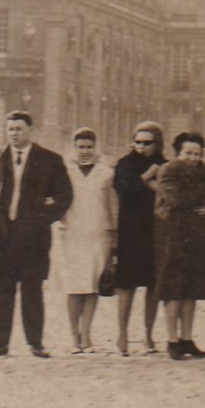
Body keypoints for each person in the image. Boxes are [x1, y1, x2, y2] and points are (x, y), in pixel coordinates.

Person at [0, 110, 74, 358]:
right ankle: (1, 342)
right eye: (11, 130)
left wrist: (43, 219)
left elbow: (64, 196)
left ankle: (35, 342)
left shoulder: (49, 160)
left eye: (19, 129)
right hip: (1, 237)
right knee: (2, 291)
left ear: (31, 131)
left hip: (33, 238)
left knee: (32, 290)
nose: (15, 134)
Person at [50, 128, 116, 354]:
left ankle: (86, 335)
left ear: (95, 147)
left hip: (99, 234)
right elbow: (54, 199)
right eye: (81, 147)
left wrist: (113, 233)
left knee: (92, 285)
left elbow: (112, 205)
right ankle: (73, 336)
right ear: (74, 147)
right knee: (74, 285)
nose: (85, 151)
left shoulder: (106, 173)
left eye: (89, 147)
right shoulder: (64, 172)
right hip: (72, 233)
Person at [154, 132, 205, 360]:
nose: (192, 158)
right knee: (174, 291)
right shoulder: (168, 171)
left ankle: (187, 339)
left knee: (192, 290)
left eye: (197, 154)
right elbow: (176, 200)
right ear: (178, 153)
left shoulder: (204, 172)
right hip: (174, 236)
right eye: (188, 153)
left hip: (197, 235)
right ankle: (172, 340)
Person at [113, 121, 166, 355]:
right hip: (131, 233)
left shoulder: (165, 164)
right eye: (138, 142)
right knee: (127, 286)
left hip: (156, 231)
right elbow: (125, 187)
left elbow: (167, 190)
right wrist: (148, 177)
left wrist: (146, 183)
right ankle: (122, 334)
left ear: (157, 144)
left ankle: (148, 334)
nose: (142, 147)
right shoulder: (124, 164)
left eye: (147, 143)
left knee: (153, 287)